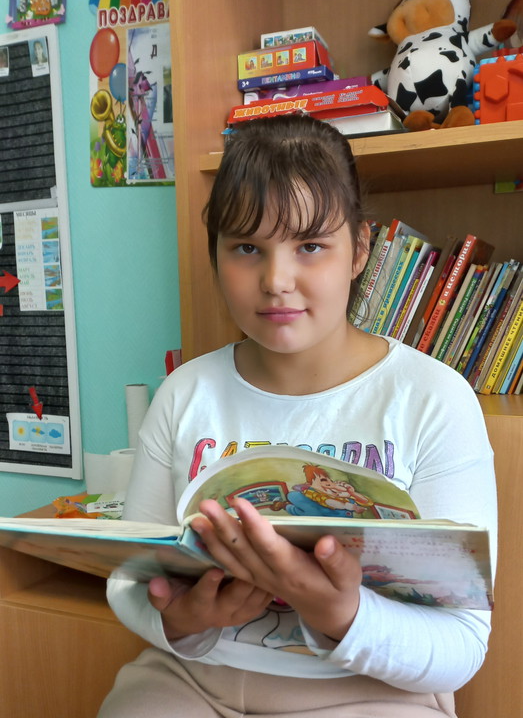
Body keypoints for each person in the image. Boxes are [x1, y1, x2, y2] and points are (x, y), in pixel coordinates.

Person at [99, 114, 497, 717]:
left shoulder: (433, 399)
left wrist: (341, 612)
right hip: (194, 676)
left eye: (310, 246)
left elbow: (462, 645)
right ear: (215, 254)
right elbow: (131, 580)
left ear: (359, 250)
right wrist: (180, 619)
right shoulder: (184, 394)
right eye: (246, 248)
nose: (276, 280)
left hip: (371, 689)